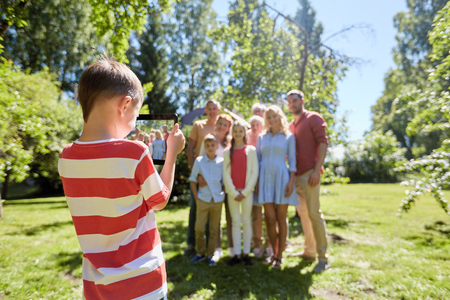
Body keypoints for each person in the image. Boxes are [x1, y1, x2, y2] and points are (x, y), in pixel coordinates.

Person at [58, 55, 185, 300]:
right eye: (136, 114)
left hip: (97, 288)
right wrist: (171, 155)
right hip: (143, 283)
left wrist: (129, 152)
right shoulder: (135, 153)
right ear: (125, 104)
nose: (134, 123)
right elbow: (159, 201)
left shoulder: (66, 158)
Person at [287, 89, 330, 273]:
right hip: (296, 175)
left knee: (314, 214)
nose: (292, 105)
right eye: (289, 102)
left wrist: (316, 170)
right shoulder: (291, 125)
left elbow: (323, 143)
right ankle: (309, 251)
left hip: (310, 175)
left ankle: (323, 258)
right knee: (303, 214)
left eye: (295, 101)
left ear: (302, 100)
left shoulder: (313, 118)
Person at [256, 105, 297, 268]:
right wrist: (257, 182)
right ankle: (273, 252)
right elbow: (258, 161)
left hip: (282, 178)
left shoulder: (288, 137)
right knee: (270, 219)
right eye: (269, 117)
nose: (272, 119)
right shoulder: (261, 137)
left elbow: (293, 161)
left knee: (281, 218)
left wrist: (291, 181)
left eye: (275, 116)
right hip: (265, 179)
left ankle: (279, 256)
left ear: (280, 117)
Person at [184, 100, 221, 257]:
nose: (212, 111)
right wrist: (196, 173)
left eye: (215, 109)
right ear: (206, 110)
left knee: (213, 211)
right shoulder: (198, 125)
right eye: (210, 109)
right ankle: (191, 244)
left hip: (215, 177)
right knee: (195, 208)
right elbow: (190, 149)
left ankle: (210, 246)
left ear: (218, 111)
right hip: (200, 175)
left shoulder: (221, 127)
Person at [198, 114, 234, 260]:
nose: (221, 126)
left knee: (231, 217)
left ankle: (232, 247)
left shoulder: (231, 142)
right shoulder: (209, 139)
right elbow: (200, 159)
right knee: (216, 219)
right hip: (213, 187)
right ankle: (217, 248)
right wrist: (199, 176)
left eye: (225, 124)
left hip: (229, 184)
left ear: (229, 128)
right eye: (220, 123)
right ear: (216, 123)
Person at [223, 121, 259, 266]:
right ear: (232, 133)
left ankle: (246, 253)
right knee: (235, 222)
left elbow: (254, 172)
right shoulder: (227, 152)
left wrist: (245, 191)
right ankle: (237, 255)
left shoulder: (251, 150)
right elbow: (225, 173)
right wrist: (232, 191)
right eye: (235, 131)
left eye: (240, 131)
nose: (238, 133)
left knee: (246, 221)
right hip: (232, 193)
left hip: (246, 193)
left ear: (245, 133)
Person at [189, 134, 224, 267]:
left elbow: (224, 181)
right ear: (204, 147)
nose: (210, 148)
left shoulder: (222, 162)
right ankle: (200, 253)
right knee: (199, 228)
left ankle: (210, 255)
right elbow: (193, 179)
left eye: (212, 145)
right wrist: (197, 197)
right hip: (203, 199)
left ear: (216, 146)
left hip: (217, 199)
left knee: (214, 229)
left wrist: (223, 195)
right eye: (207, 145)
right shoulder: (199, 161)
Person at [247, 115, 266, 258]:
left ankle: (272, 244)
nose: (254, 127)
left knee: (271, 214)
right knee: (256, 215)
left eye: (257, 124)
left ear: (262, 126)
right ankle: (257, 243)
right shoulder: (246, 139)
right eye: (252, 125)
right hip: (250, 182)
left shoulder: (265, 139)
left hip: (265, 181)